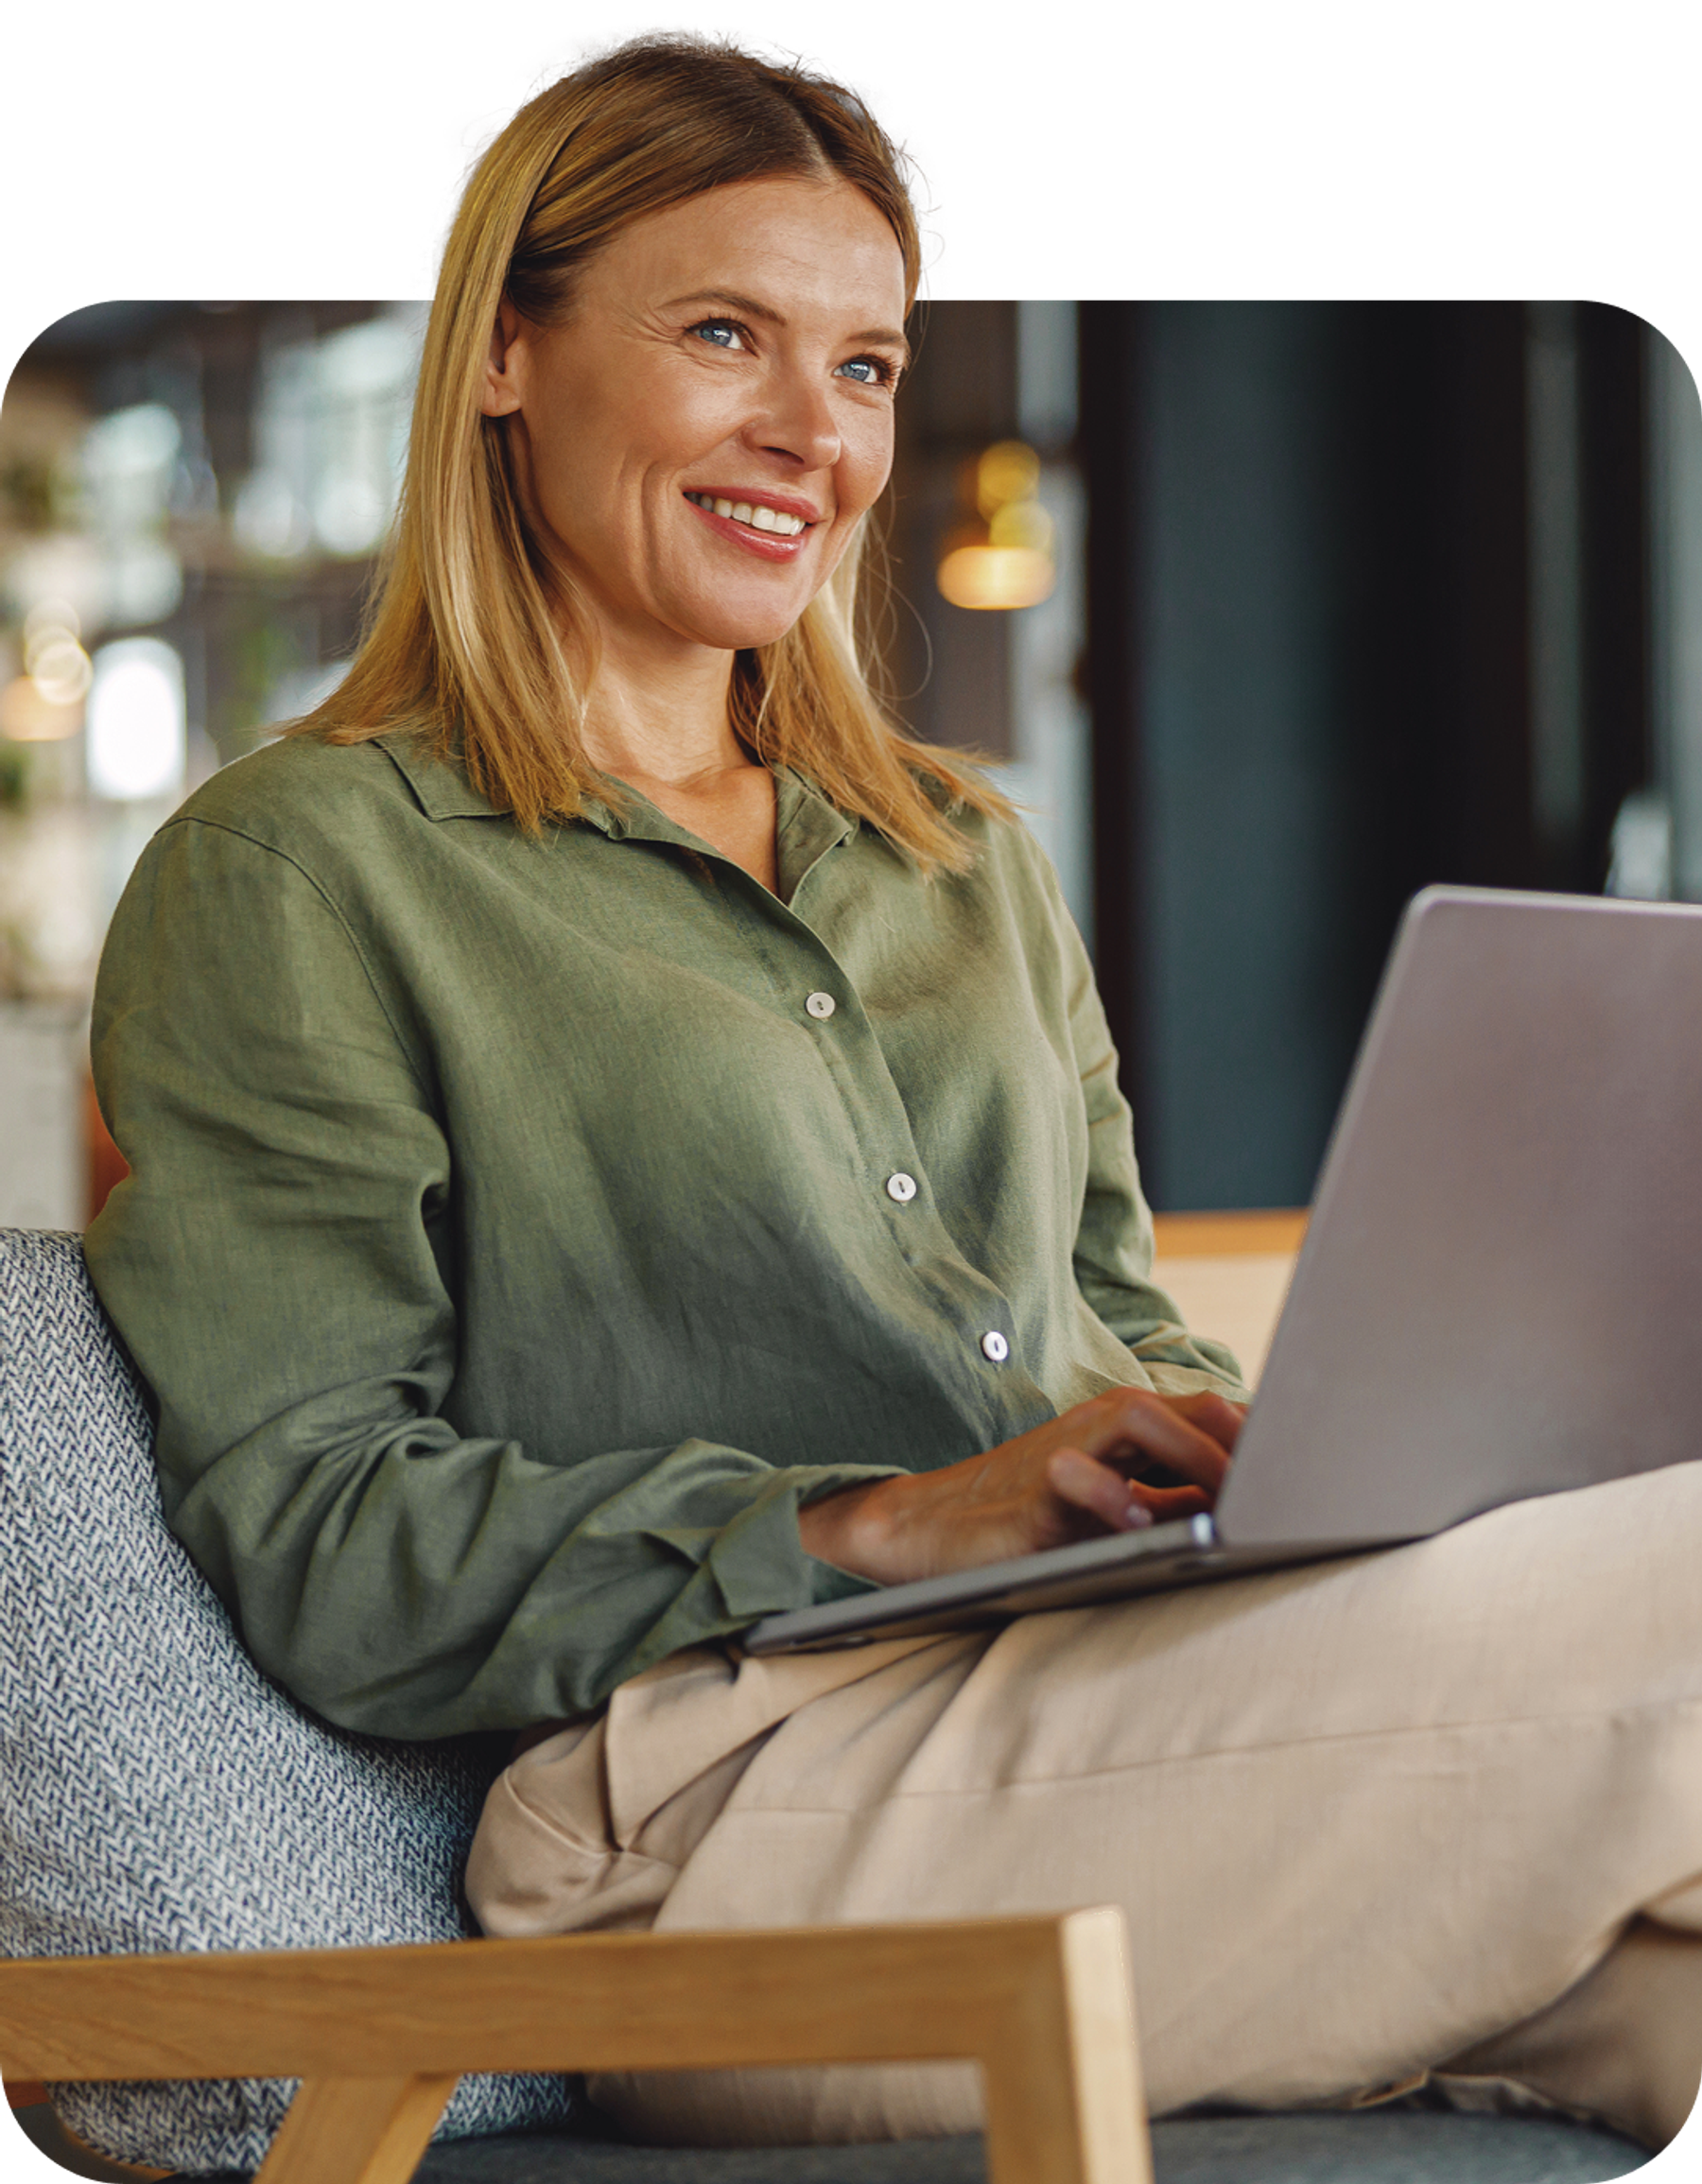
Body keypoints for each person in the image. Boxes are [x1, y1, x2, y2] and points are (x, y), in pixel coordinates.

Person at [82, 26, 1702, 2160]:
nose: (812, 434)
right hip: (705, 1831)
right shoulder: (305, 871)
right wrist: (871, 1522)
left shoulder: (962, 853)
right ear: (504, 351)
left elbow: (1123, 1320)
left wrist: (1253, 1466)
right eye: (727, 335)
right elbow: (319, 1536)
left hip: (1110, 1714)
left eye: (862, 366)